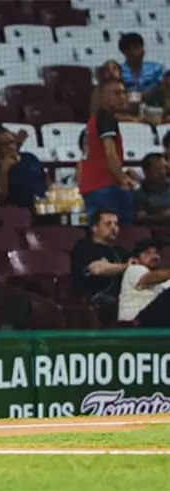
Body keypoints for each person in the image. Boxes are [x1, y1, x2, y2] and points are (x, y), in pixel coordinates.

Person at [79, 79, 136, 226]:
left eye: (124, 92)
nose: (122, 96)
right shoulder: (106, 119)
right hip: (106, 187)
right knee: (120, 236)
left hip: (92, 188)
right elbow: (109, 153)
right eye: (116, 93)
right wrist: (122, 180)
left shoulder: (93, 120)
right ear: (103, 96)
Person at [70, 210, 129, 322]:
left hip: (121, 295)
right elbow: (96, 269)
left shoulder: (121, 251)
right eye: (108, 224)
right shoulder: (83, 247)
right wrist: (125, 266)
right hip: (94, 297)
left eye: (116, 224)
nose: (113, 227)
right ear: (94, 228)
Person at [118, 238, 170, 327]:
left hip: (156, 320)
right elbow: (151, 278)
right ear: (136, 259)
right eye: (148, 253)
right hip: (135, 321)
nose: (154, 256)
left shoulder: (164, 279)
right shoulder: (134, 269)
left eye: (156, 253)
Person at [133, 153, 170, 225]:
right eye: (159, 169)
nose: (163, 172)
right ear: (146, 171)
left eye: (165, 168)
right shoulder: (140, 194)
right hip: (156, 232)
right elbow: (140, 218)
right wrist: (161, 217)